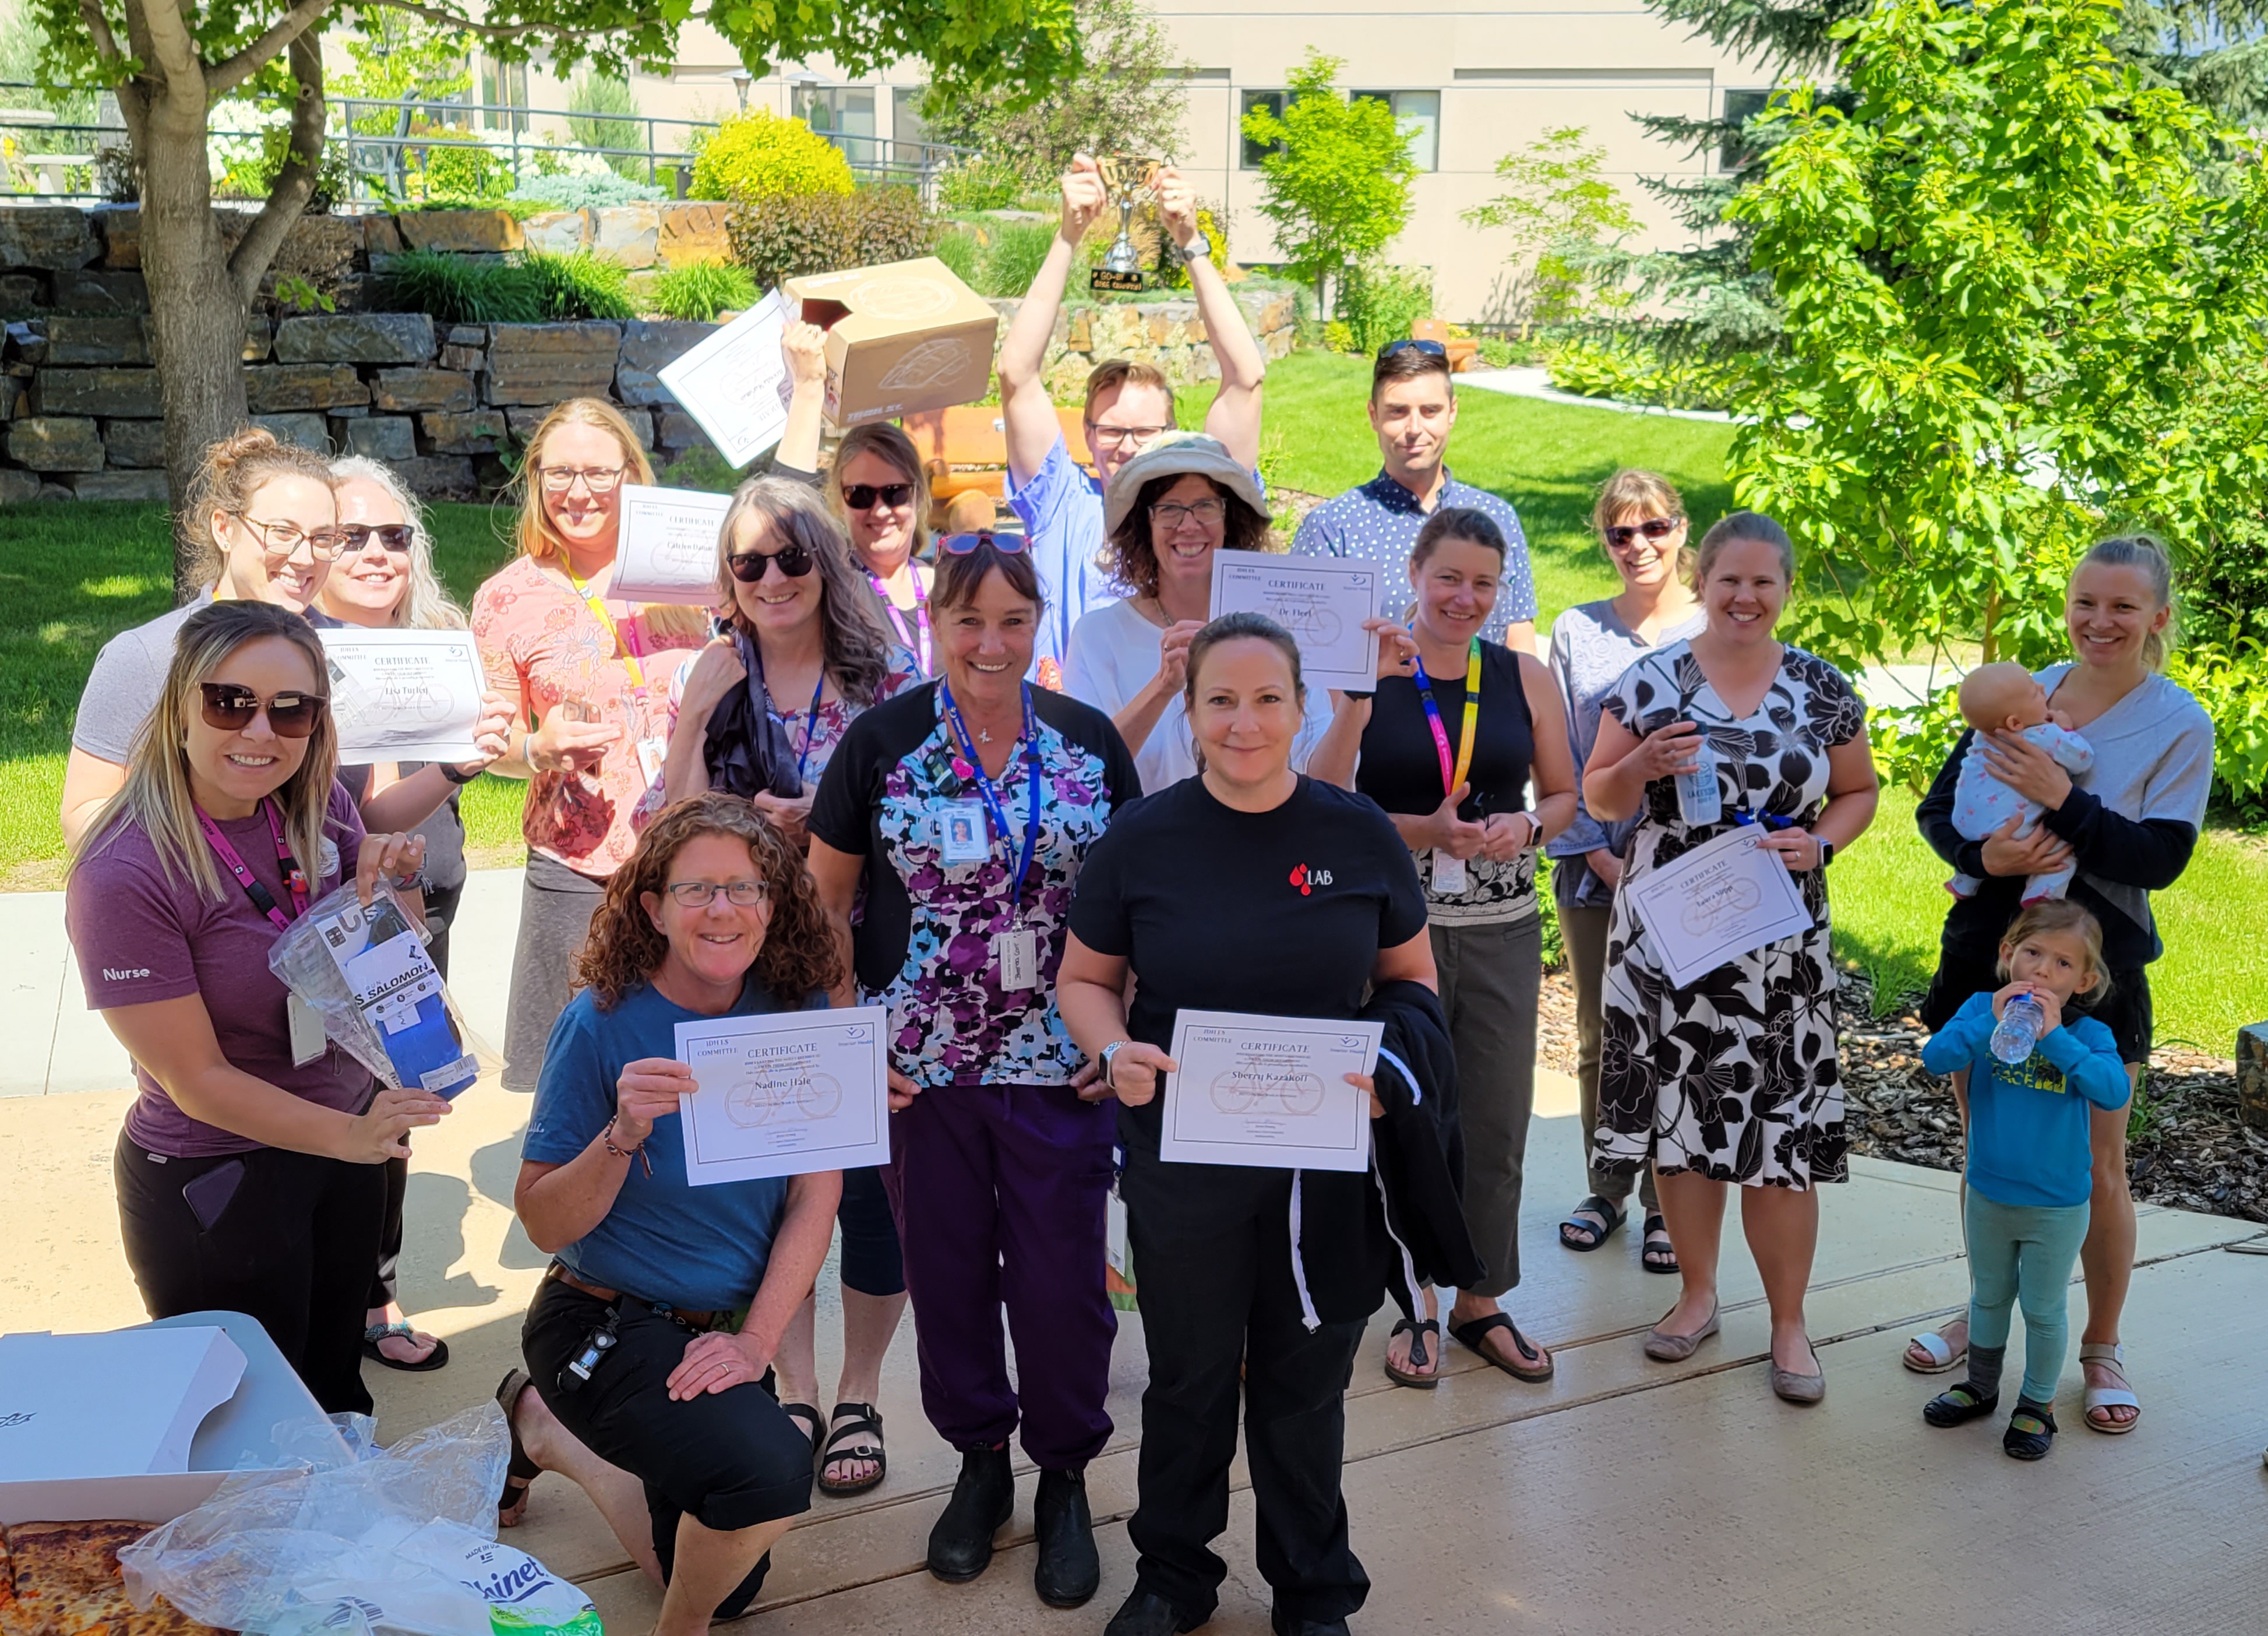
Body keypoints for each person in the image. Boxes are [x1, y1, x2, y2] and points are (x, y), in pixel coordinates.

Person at [1056, 615, 1439, 1636]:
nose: (1244, 719)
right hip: (1183, 1156)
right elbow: (1084, 980)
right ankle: (1173, 1574)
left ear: (1301, 705)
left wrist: (1383, 1068)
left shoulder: (1355, 831)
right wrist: (1110, 1051)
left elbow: (1411, 982)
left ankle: (1312, 1589)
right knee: (1185, 1377)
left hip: (1322, 1167)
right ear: (1189, 713)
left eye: (1266, 697)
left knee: (1303, 1381)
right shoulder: (1143, 836)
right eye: (1219, 698)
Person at [805, 535, 1141, 1609]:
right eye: (967, 620)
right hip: (924, 1071)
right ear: (934, 626)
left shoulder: (1087, 745)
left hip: (1060, 1069)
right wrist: (851, 1035)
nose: (989, 642)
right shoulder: (884, 742)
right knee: (944, 1274)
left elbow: (1137, 906)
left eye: (1011, 620)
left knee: (1060, 1287)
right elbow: (821, 905)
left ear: (1038, 621)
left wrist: (1119, 1030)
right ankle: (981, 1462)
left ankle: (1067, 1477)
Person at [64, 601, 443, 1415]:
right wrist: (350, 1137)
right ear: (178, 710)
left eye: (291, 710)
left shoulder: (317, 812)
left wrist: (391, 885)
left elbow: (379, 966)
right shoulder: (124, 870)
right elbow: (196, 1079)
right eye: (228, 702)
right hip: (220, 1174)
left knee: (337, 1392)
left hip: (344, 1147)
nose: (260, 732)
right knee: (248, 1425)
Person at [504, 794, 844, 1636]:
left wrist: (756, 1344)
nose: (722, 909)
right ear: (652, 908)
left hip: (722, 1332)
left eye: (744, 888)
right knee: (768, 1478)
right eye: (696, 891)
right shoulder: (601, 1023)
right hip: (604, 1321)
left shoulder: (797, 1010)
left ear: (773, 901)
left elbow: (816, 1194)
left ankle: (546, 1432)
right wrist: (620, 1134)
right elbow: (543, 1224)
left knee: (728, 1578)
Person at [641, 475, 921, 1495]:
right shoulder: (713, 675)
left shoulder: (883, 679)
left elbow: (923, 825)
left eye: (792, 556)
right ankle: (793, 1382)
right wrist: (691, 732)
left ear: (828, 563)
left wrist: (827, 820)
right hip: (746, 972)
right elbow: (660, 839)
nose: (771, 578)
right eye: (748, 561)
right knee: (773, 1187)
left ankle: (859, 1389)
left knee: (871, 1199)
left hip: (865, 966)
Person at [1903, 535, 2213, 1436]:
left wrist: (2063, 796)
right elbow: (1938, 808)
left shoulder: (2177, 723)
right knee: (1988, 1154)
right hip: (1990, 962)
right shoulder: (2024, 691)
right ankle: (1984, 1315)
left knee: (2096, 1170)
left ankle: (2100, 1346)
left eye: (2123, 607)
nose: (2099, 622)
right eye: (2086, 602)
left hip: (2095, 974)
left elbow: (2160, 860)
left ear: (2158, 617)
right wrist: (1981, 854)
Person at [1581, 512, 1878, 1404]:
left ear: (1786, 591)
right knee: (1683, 1120)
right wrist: (1637, 762)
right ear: (1701, 581)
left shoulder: (1822, 688)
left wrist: (1820, 844)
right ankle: (1696, 1297)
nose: (1745, 598)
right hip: (1671, 935)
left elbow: (1859, 791)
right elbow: (1597, 795)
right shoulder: (1651, 681)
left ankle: (1789, 1325)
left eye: (1764, 583)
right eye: (1729, 581)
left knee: (1778, 1135)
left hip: (1777, 942)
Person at [1309, 507, 1579, 1389]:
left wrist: (1528, 824)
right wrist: (1418, 828)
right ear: (1415, 576)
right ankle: (1413, 1298)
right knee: (1397, 1114)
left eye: (1483, 583)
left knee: (1497, 1121)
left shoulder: (1524, 676)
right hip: (1387, 936)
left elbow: (1568, 796)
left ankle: (1480, 1299)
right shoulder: (1375, 671)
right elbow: (1317, 796)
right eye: (1448, 578)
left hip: (1499, 927)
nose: (1465, 598)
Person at [316, 454, 513, 1375]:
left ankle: (372, 1289)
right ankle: (322, 1296)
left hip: (421, 908)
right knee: (324, 1104)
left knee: (401, 1100)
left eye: (393, 535)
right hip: (328, 925)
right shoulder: (287, 654)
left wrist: (481, 758)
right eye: (351, 535)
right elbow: (354, 816)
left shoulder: (438, 642)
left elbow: (419, 795)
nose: (376, 552)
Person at [472, 399, 709, 1091]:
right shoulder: (506, 598)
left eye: (598, 474)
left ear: (631, 475)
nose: (578, 492)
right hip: (575, 865)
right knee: (573, 1071)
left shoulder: (690, 578)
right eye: (559, 473)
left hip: (691, 852)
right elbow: (491, 741)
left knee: (692, 1058)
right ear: (536, 479)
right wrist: (536, 749)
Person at [998, 153, 1268, 682]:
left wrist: (1190, 243)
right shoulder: (1062, 501)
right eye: (1112, 431)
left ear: (1170, 435)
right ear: (1087, 434)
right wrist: (1068, 237)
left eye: (1145, 433)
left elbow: (1246, 379)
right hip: (1076, 731)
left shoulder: (1202, 501)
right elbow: (1015, 374)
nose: (1125, 448)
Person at [1547, 470, 1705, 1272]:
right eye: (1620, 533)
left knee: (1679, 1037)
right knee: (1600, 1038)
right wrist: (1601, 854)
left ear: (1682, 531)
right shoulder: (1577, 632)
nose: (1638, 546)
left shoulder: (1718, 625)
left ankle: (1665, 1203)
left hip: (1697, 876)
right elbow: (1564, 759)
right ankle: (1606, 1187)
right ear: (1603, 540)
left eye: (1654, 529)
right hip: (1595, 866)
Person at [59, 428, 343, 851]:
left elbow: (366, 812)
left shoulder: (352, 651)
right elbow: (86, 813)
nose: (304, 558)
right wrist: (207, 876)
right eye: (282, 532)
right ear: (224, 528)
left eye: (323, 539)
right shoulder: (147, 655)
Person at [1917, 900, 2129, 1462]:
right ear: (2007, 954)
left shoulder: (2088, 1034)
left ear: (2082, 980)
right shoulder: (1978, 1011)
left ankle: (2036, 1405)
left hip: (2056, 1205)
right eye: (2031, 953)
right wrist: (1989, 1018)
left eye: (2061, 963)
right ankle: (1980, 1386)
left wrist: (2057, 1038)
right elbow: (1937, 1058)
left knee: (2042, 1307)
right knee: (1987, 1297)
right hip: (1989, 1191)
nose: (2041, 971)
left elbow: (2112, 1090)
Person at [1064, 432, 1338, 790]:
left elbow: (1325, 779)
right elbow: (1083, 778)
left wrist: (1357, 698)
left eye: (1206, 506)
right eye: (1169, 509)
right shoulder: (1097, 636)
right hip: (1144, 844)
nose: (1189, 525)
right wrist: (1163, 688)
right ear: (1144, 526)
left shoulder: (1280, 629)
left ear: (1231, 520)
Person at [1292, 342, 1538, 653]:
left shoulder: (1497, 518)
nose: (1414, 428)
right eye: (1398, 412)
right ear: (1373, 416)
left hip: (1484, 700)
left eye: (1430, 411)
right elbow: (1310, 655)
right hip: (1374, 701)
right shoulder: (1332, 528)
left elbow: (1519, 640)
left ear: (1452, 412)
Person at [769, 334, 939, 675]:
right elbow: (782, 523)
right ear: (840, 501)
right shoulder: (836, 585)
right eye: (861, 495)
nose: (879, 510)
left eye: (895, 493)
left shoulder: (950, 584)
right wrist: (808, 389)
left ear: (918, 496)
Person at [1941, 662, 2094, 901]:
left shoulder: (1984, 735)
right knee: (2062, 851)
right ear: (2015, 724)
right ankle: (2041, 894)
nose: (2043, 687)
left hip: (1964, 823)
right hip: (2011, 830)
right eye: (2035, 692)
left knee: (1982, 840)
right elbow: (2083, 759)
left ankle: (1965, 880)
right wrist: (2064, 729)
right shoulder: (2041, 734)